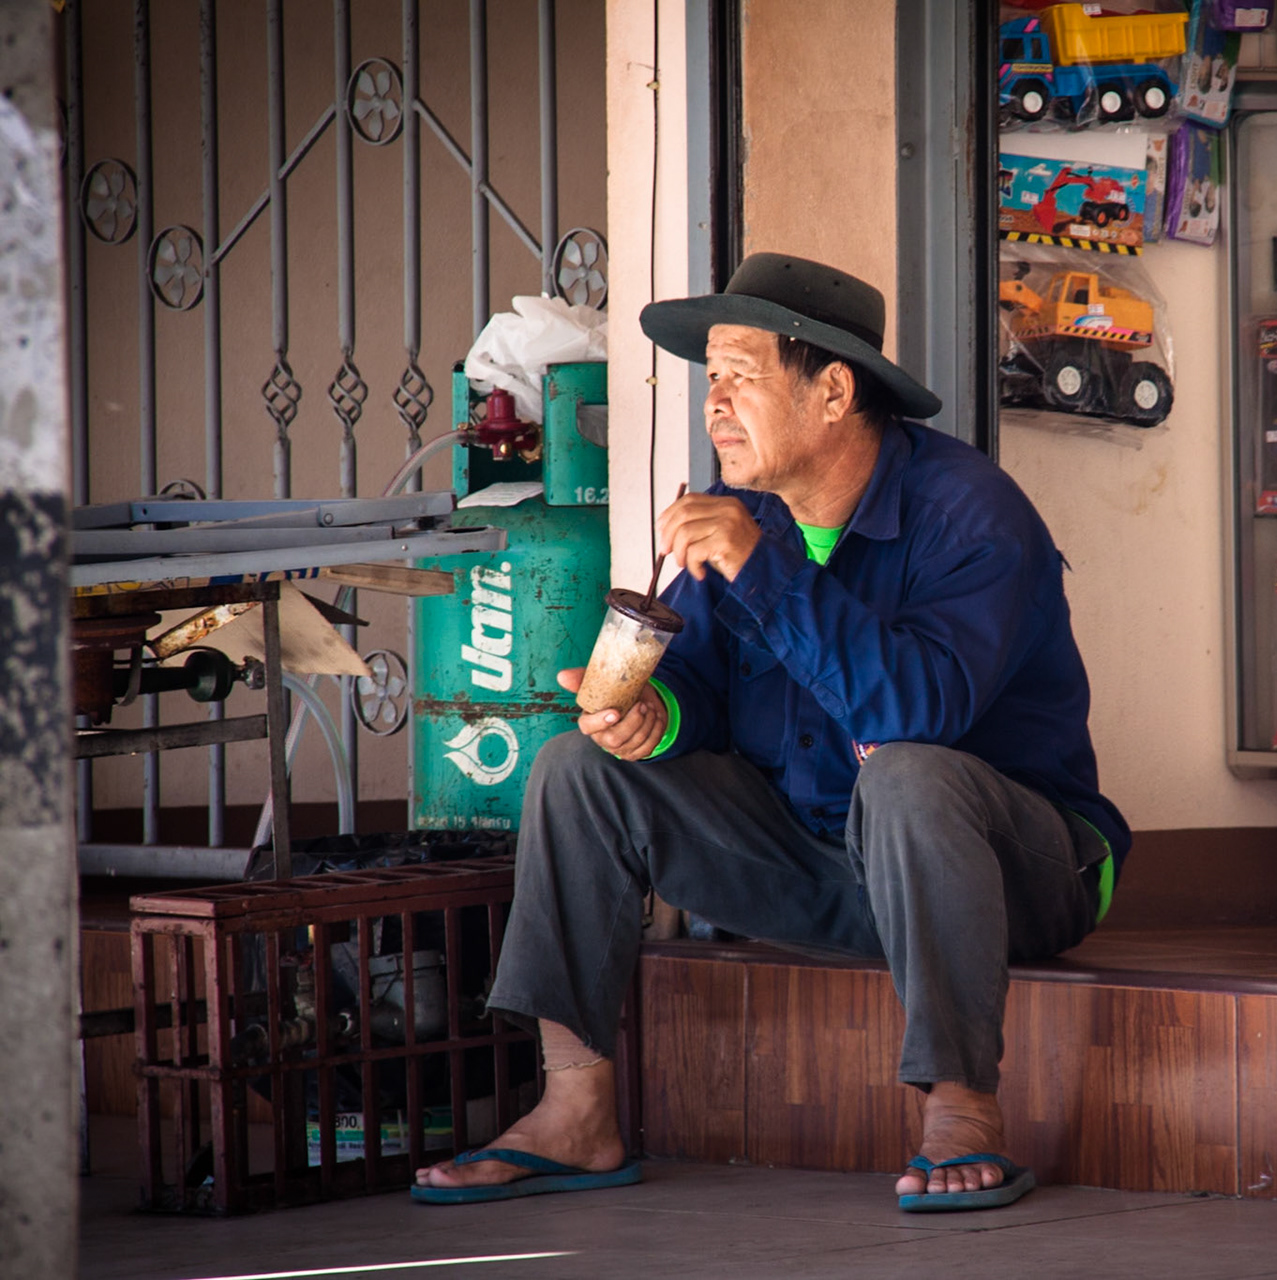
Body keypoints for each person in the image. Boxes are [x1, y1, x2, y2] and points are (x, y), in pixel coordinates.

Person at [412, 253, 1128, 1211]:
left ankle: (963, 1112)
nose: (717, 405)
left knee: (910, 773)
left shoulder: (970, 512)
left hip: (1016, 879)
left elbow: (918, 712)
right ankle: (575, 1109)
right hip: (832, 872)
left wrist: (762, 569)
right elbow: (703, 691)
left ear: (833, 390)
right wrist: (652, 718)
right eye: (713, 381)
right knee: (575, 769)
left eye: (742, 378)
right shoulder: (746, 517)